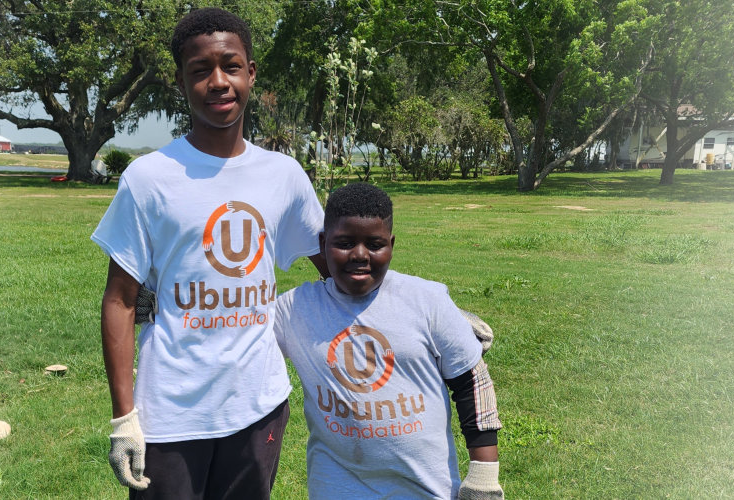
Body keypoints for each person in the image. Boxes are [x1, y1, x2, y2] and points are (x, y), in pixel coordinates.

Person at [90, 7, 330, 499]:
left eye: (231, 66)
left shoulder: (283, 176)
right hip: (170, 414)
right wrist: (124, 418)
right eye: (201, 70)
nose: (218, 82)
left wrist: (430, 311)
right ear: (181, 81)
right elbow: (119, 299)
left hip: (258, 405)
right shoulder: (148, 178)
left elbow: (341, 272)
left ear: (251, 73)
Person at [272, 182, 505, 499]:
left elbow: (472, 383)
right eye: (344, 243)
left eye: (375, 244)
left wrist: (484, 478)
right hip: (336, 486)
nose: (359, 255)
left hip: (424, 488)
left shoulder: (426, 302)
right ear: (323, 243)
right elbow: (240, 337)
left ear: (391, 244)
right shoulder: (295, 310)